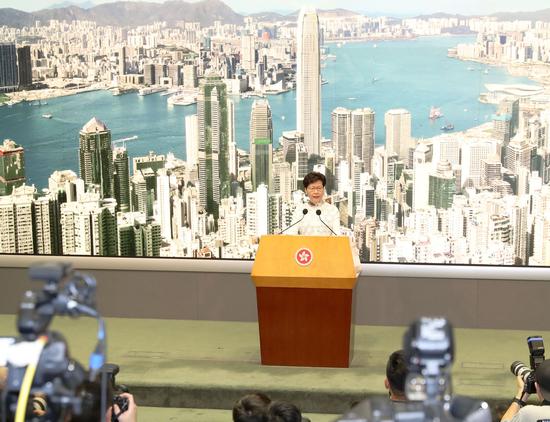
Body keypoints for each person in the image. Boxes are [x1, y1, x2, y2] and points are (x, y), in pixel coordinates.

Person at [284, 172, 340, 236]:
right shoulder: (299, 210)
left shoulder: (333, 210)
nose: (316, 192)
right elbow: (292, 234)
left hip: (327, 245)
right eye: (312, 188)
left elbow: (337, 235)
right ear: (305, 190)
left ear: (323, 189)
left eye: (319, 188)